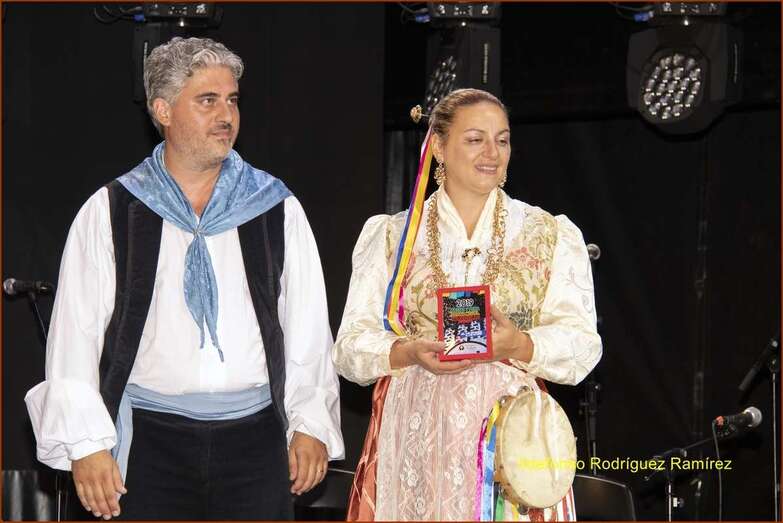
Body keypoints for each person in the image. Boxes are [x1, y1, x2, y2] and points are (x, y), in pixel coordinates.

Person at [25, 37, 343, 520]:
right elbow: (75, 336)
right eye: (207, 100)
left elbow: (308, 331)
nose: (226, 115)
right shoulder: (113, 209)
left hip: (255, 442)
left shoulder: (275, 207)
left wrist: (310, 424)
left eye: (232, 100)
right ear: (163, 110)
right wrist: (86, 443)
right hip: (150, 442)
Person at [333, 88, 602, 521]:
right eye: (475, 139)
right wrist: (408, 352)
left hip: (511, 445)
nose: (492, 153)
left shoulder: (549, 233)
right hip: (417, 438)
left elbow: (583, 344)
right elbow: (349, 347)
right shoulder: (393, 236)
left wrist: (519, 345)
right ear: (439, 147)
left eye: (502, 139)